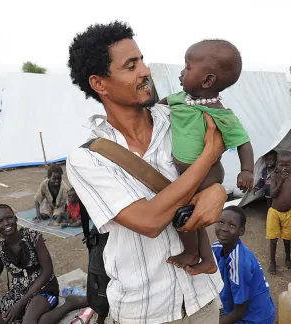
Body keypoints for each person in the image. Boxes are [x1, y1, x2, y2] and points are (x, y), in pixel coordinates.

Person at [67, 21, 225, 323]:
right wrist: (208, 155)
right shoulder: (87, 159)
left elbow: (214, 172)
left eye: (141, 60)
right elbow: (150, 221)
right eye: (130, 66)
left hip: (203, 297)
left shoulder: (179, 119)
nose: (145, 71)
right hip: (145, 310)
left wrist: (217, 188)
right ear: (100, 84)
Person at [157, 39, 253, 275]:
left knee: (181, 213)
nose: (181, 72)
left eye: (187, 67)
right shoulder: (180, 98)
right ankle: (208, 261)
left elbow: (243, 141)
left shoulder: (220, 113)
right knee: (195, 216)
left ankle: (191, 253)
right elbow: (160, 105)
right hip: (189, 173)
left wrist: (247, 170)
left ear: (207, 80)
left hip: (206, 175)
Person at [0, 204, 59, 324]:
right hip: (18, 291)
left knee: (28, 321)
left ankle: (69, 305)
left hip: (43, 289)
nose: (6, 223)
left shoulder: (33, 236)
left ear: (16, 218)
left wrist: (21, 302)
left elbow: (47, 271)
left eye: (9, 218)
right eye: (0, 221)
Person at [212, 206, 276, 324]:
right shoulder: (218, 245)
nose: (224, 229)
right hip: (241, 310)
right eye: (221, 222)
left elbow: (239, 312)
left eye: (232, 225)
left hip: (254, 318)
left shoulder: (239, 264)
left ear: (241, 231)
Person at [266, 150, 291, 274]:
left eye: (287, 165)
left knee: (287, 238)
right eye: (281, 165)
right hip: (275, 212)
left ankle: (288, 258)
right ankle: (273, 263)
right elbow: (273, 194)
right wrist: (281, 182)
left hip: (288, 213)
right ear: (277, 165)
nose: (284, 168)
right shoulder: (274, 177)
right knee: (273, 239)